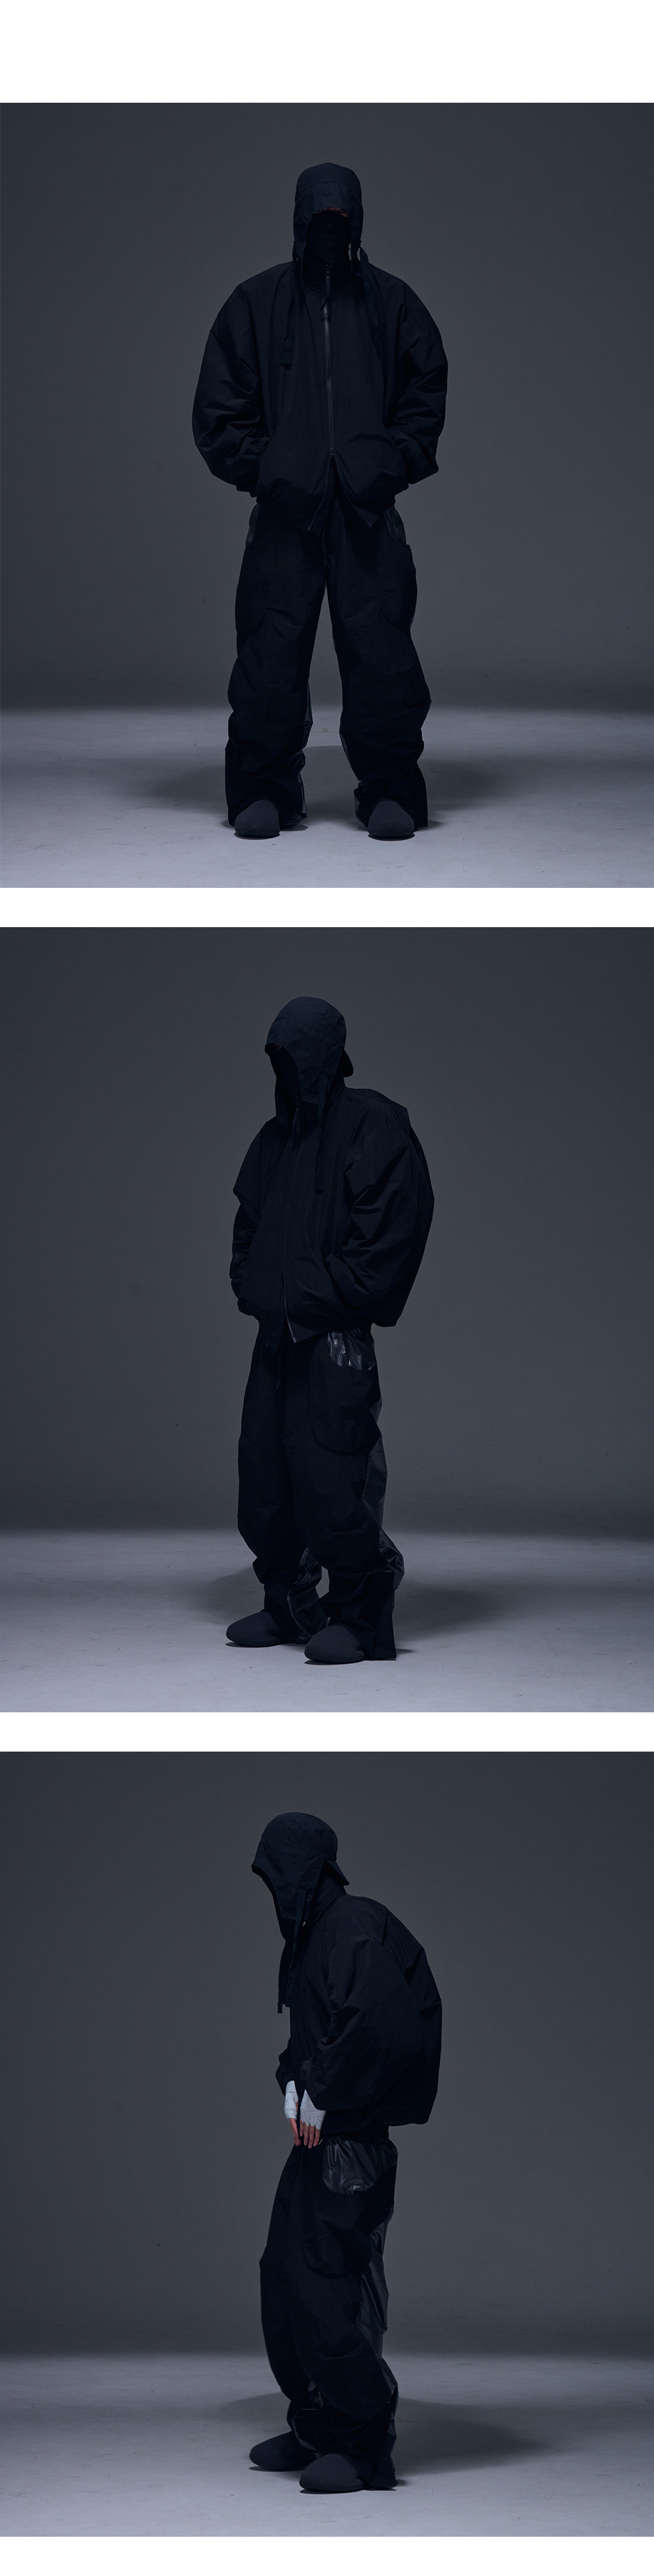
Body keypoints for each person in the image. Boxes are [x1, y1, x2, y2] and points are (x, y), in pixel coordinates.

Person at [192, 161, 447, 842]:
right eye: (320, 220)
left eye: (341, 220)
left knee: (382, 649)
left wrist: (387, 465)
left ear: (356, 221)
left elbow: (425, 392)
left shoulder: (393, 303)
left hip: (366, 508)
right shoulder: (256, 303)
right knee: (269, 652)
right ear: (301, 221)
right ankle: (263, 789)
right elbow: (219, 407)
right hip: (287, 511)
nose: (330, 231)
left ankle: (390, 788)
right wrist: (271, 471)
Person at [226, 994, 434, 1665]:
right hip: (276, 1336)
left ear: (322, 1055)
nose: (286, 1068)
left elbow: (393, 1231)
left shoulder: (373, 1123)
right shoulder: (272, 1141)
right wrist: (259, 1290)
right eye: (277, 1057)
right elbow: (247, 1232)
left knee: (332, 1471)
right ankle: (287, 1602)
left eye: (295, 1054)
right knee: (265, 1476)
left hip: (334, 1337)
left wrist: (322, 1296)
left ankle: (360, 1613)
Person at [249, 1811, 442, 2494]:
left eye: (277, 1873)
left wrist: (323, 2092)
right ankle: (317, 2425)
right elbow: (313, 2036)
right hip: (322, 2138)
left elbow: (381, 2028)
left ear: (303, 1871)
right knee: (284, 2278)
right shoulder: (313, 1937)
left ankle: (361, 2444)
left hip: (351, 2144)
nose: (274, 1891)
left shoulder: (354, 1923)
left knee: (327, 2285)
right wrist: (295, 2084)